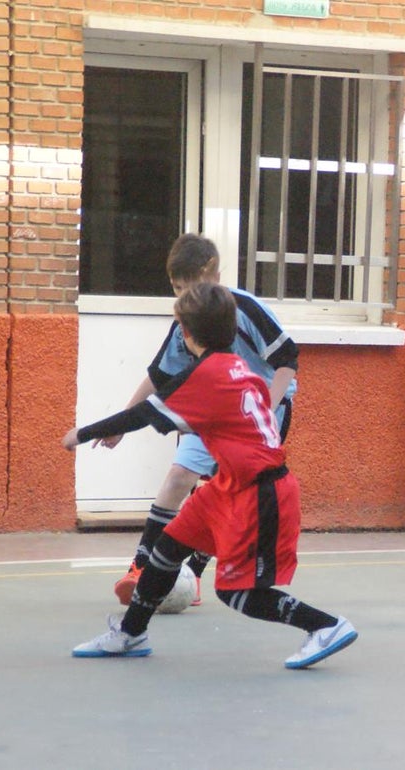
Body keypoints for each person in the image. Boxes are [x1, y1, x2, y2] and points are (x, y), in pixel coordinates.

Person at [68, 282, 357, 668]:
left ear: (185, 333)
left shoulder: (207, 375)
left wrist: (82, 433)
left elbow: (142, 414)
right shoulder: (238, 365)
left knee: (238, 594)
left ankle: (325, 626)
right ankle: (130, 633)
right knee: (167, 547)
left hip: (260, 494)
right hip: (231, 486)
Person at [99, 234, 299, 605]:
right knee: (179, 476)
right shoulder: (185, 322)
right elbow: (158, 377)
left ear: (212, 274)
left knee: (225, 492)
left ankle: (192, 574)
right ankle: (141, 567)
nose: (180, 296)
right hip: (214, 410)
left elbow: (287, 357)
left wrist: (266, 411)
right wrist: (120, 424)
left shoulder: (246, 309)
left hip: (259, 415)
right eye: (175, 288)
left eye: (186, 286)